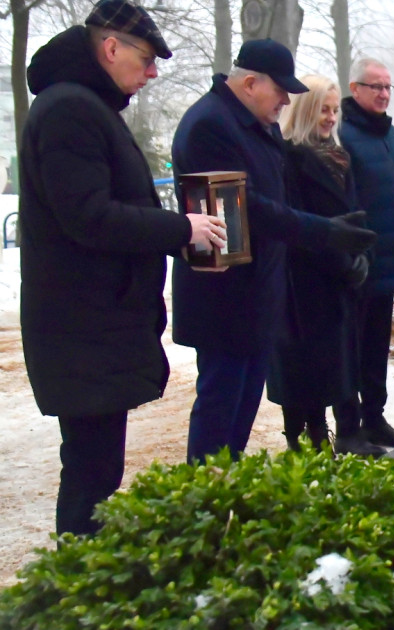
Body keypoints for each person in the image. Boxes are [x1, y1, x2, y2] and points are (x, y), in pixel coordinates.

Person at [18, 0, 228, 536]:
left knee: (97, 467)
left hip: (92, 325)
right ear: (110, 48)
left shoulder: (86, 105)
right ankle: (77, 594)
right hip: (82, 326)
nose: (153, 71)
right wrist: (180, 231)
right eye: (147, 57)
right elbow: (88, 216)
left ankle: (82, 585)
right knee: (91, 472)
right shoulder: (71, 109)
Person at [171, 39, 377, 464]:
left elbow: (273, 200)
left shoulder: (252, 124)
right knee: (220, 409)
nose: (286, 100)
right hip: (224, 298)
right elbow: (246, 208)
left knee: (241, 411)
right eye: (281, 91)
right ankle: (207, 501)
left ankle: (225, 496)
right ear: (249, 83)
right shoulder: (210, 125)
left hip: (257, 293)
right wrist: (324, 231)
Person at [268, 74, 369, 452]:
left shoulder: (340, 157)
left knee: (331, 365)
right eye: (323, 110)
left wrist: (358, 257)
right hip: (303, 279)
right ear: (307, 111)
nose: (330, 118)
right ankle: (301, 438)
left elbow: (354, 213)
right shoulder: (289, 159)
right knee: (301, 369)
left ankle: (323, 435)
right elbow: (296, 222)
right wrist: (341, 261)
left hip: (337, 277)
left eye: (334, 110)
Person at [333, 57, 394, 455]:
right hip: (357, 266)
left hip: (388, 260)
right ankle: (348, 426)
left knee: (375, 348)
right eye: (375, 87)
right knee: (349, 349)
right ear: (355, 89)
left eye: (388, 87)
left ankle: (375, 418)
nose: (384, 94)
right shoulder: (343, 138)